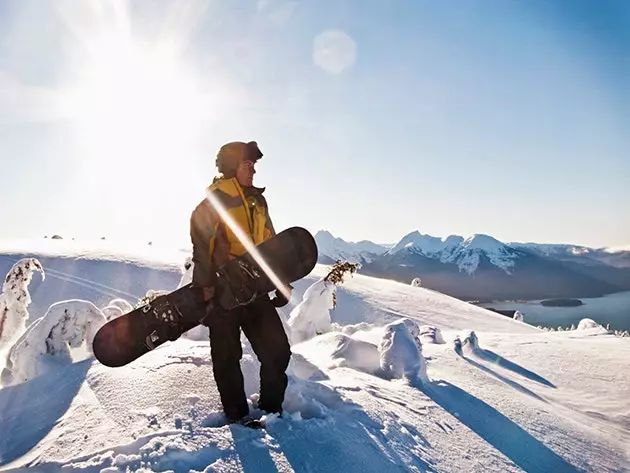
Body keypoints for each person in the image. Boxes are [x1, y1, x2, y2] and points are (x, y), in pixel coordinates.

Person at [189, 140, 292, 428]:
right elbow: (202, 248)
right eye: (248, 165)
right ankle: (237, 416)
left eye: (254, 165)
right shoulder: (214, 203)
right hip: (222, 291)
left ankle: (271, 408)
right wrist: (205, 288)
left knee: (277, 350)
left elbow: (270, 245)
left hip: (254, 290)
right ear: (232, 166)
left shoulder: (258, 202)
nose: (253, 170)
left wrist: (280, 281)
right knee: (227, 356)